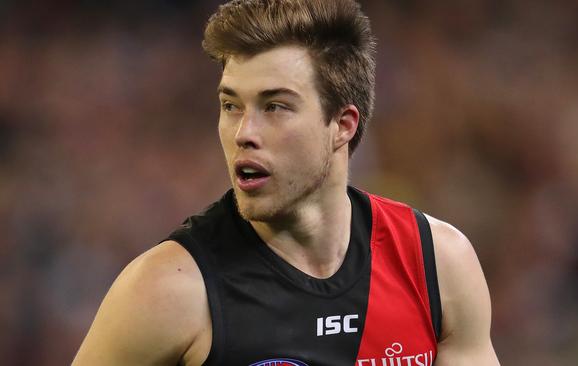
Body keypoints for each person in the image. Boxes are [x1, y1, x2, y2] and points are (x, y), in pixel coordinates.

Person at [73, 0, 499, 365]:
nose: (243, 132)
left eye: (275, 106)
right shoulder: (170, 290)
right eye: (230, 104)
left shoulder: (437, 264)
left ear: (342, 125)